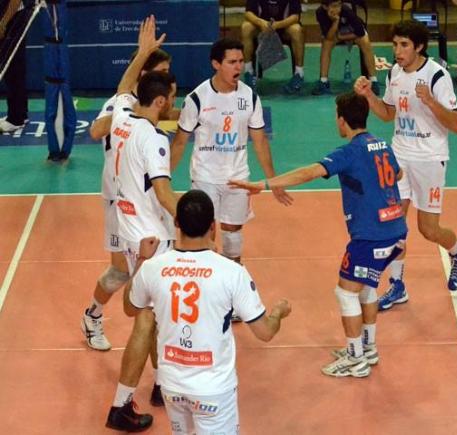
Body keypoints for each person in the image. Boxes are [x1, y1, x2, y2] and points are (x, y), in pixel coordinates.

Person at [230, 92, 407, 378]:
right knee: (366, 286)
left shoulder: (349, 152)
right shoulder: (382, 145)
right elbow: (397, 175)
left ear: (341, 120)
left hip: (370, 236)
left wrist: (264, 184)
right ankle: (368, 348)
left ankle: (355, 359)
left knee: (346, 292)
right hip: (396, 230)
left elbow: (310, 172)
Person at [123, 189, 291, 434]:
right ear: (213, 226)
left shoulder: (152, 267)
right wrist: (278, 312)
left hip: (172, 386)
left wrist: (140, 260)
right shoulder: (231, 272)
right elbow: (265, 332)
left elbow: (129, 308)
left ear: (176, 223)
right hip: (213, 389)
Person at [354, 20, 457, 312]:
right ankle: (397, 286)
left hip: (430, 159)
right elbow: (387, 114)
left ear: (418, 47)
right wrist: (369, 96)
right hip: (400, 157)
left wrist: (430, 102)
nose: (397, 51)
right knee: (393, 224)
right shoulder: (394, 73)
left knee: (428, 230)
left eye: (404, 45)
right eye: (395, 44)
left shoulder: (436, 76)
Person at [103, 16, 181, 432]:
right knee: (149, 319)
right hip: (152, 238)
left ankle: (161, 384)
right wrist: (200, 219)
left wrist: (142, 53)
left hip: (131, 231)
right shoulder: (154, 139)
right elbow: (166, 196)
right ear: (162, 102)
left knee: (151, 317)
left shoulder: (122, 117)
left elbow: (122, 86)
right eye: (171, 97)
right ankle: (121, 405)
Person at [81, 49, 172, 354]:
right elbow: (96, 130)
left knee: (140, 273)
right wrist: (128, 117)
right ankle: (94, 316)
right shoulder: (121, 104)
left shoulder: (148, 110)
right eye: (161, 71)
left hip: (145, 202)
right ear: (144, 73)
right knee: (124, 273)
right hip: (117, 200)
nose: (166, 76)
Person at [170, 38, 292, 266]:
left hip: (238, 177)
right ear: (216, 64)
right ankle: (206, 277)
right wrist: (162, 178)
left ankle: (233, 276)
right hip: (205, 176)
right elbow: (179, 143)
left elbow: (260, 141)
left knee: (233, 233)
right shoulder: (197, 98)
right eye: (232, 62)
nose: (238, 67)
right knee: (204, 233)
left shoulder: (249, 97)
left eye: (241, 61)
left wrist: (273, 181)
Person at [312, 0, 380, 96]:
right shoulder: (320, 13)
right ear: (325, 7)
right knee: (326, 44)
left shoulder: (346, 10)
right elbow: (329, 37)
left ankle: (373, 80)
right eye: (334, 6)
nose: (338, 9)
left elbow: (360, 32)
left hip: (352, 31)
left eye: (339, 5)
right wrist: (336, 21)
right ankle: (323, 82)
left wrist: (340, 37)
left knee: (365, 41)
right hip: (335, 31)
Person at [241, 0, 305, 94]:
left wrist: (277, 25)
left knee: (297, 30)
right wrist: (261, 22)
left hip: (284, 27)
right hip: (262, 27)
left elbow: (295, 17)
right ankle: (248, 72)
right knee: (246, 27)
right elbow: (248, 13)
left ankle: (299, 74)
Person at [0, 0, 29, 133]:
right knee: (11, 69)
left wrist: (3, 23)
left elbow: (15, 1)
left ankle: (16, 120)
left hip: (12, 20)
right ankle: (21, 114)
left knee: (13, 68)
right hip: (8, 18)